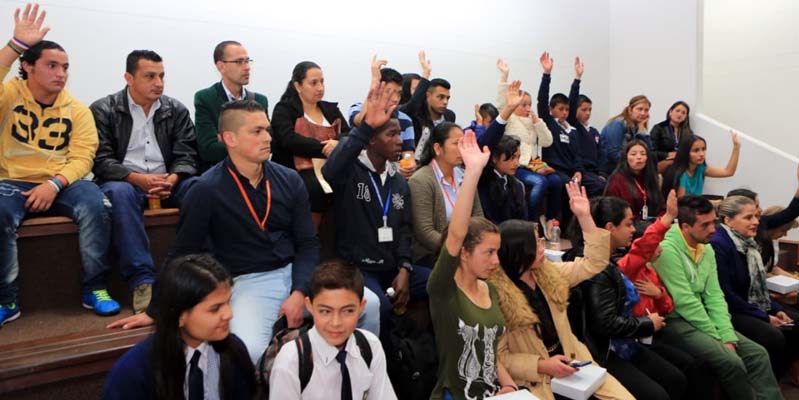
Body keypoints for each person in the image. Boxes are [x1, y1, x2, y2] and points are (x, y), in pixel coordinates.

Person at [107, 101, 382, 364]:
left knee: (369, 306)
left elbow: (308, 243)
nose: (268, 138)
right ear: (230, 138)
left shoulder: (289, 179)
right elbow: (182, 254)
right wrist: (156, 310)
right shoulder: (205, 189)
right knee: (249, 350)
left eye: (267, 129)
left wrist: (300, 292)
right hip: (248, 281)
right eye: (257, 131)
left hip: (298, 271)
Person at [0, 4, 120, 323]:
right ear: (27, 67)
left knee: (97, 203)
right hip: (11, 183)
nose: (61, 74)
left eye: (65, 67)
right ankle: (6, 300)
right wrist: (15, 47)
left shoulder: (77, 110)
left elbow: (83, 156)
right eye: (52, 65)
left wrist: (54, 184)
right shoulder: (8, 96)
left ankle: (94, 288)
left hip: (60, 182)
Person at [489, 183, 635, 400]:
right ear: (519, 251)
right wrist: (542, 365)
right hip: (537, 379)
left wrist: (585, 218)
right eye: (536, 244)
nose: (542, 248)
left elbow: (594, 263)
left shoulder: (548, 273)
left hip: (575, 364)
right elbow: (497, 358)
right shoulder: (495, 295)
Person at [90, 49, 199, 313]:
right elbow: (100, 159)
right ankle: (142, 280)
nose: (158, 82)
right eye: (150, 76)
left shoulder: (176, 109)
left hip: (169, 180)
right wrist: (137, 179)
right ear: (129, 77)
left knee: (201, 188)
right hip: (126, 180)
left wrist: (173, 178)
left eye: (161, 75)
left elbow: (188, 153)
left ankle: (198, 268)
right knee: (119, 194)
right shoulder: (104, 109)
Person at [323, 81, 430, 347]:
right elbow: (330, 170)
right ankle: (375, 368)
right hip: (357, 267)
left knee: (442, 283)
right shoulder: (351, 171)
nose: (399, 141)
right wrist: (365, 126)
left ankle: (422, 358)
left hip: (392, 266)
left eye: (399, 134)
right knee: (380, 307)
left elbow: (404, 228)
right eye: (391, 135)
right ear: (372, 139)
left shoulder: (399, 180)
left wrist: (405, 267)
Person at [653, 195, 781, 400]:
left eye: (714, 222)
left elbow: (715, 296)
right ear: (685, 227)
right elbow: (684, 302)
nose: (713, 229)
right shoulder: (667, 250)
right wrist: (719, 337)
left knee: (757, 355)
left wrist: (727, 335)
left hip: (702, 314)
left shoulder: (707, 247)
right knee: (731, 361)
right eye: (705, 225)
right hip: (675, 319)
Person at [427, 129, 520, 400]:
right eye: (489, 252)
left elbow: (490, 353)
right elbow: (456, 233)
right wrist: (472, 174)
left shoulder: (489, 289)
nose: (496, 261)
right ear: (464, 254)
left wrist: (511, 387)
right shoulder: (442, 289)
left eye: (497, 252)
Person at [572, 196, 686, 400]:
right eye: (628, 224)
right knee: (658, 394)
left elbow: (644, 249)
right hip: (605, 351)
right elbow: (604, 324)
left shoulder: (609, 262)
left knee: (677, 376)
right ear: (610, 227)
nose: (633, 230)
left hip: (628, 342)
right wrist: (646, 324)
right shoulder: (596, 270)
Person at [101, 254, 255, 400]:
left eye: (228, 302)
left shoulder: (234, 352)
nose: (229, 314)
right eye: (215, 308)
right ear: (179, 316)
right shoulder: (132, 373)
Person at [409, 81, 523, 266]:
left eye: (464, 143)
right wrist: (461, 251)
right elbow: (425, 232)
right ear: (437, 148)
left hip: (467, 253)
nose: (462, 149)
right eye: (456, 144)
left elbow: (478, 217)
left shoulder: (464, 175)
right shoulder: (421, 180)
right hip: (434, 255)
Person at [269, 259, 397, 400]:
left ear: (361, 307)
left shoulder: (370, 346)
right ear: (309, 306)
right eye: (325, 311)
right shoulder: (291, 361)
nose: (336, 323)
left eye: (348, 311)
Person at [712, 195, 799, 379]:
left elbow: (755, 286)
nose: (756, 222)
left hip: (750, 304)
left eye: (756, 217)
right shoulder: (719, 244)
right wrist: (765, 316)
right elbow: (727, 295)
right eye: (748, 217)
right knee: (773, 337)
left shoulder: (747, 243)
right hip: (731, 309)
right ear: (728, 220)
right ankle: (761, 384)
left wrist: (776, 309)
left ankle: (774, 380)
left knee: (795, 323)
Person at [271, 61, 349, 228]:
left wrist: (338, 143)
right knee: (313, 189)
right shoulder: (284, 109)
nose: (320, 87)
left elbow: (348, 134)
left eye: (322, 81)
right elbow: (288, 139)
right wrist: (324, 149)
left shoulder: (330, 109)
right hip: (297, 169)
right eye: (313, 83)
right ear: (298, 86)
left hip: (331, 165)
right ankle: (310, 241)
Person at [495, 58, 560, 226]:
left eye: (529, 104)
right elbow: (502, 104)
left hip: (533, 164)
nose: (527, 108)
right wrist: (504, 76)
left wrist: (537, 121)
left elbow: (547, 142)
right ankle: (530, 221)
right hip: (518, 165)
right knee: (540, 182)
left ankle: (549, 219)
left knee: (556, 181)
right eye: (523, 104)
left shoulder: (533, 121)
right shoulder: (510, 119)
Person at [194, 40, 269, 172]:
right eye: (239, 62)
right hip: (221, 173)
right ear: (221, 66)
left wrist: (225, 140)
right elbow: (208, 149)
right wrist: (251, 143)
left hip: (255, 171)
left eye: (247, 61)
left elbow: (268, 143)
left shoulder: (259, 101)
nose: (247, 67)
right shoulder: (206, 98)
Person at [348, 57, 416, 179]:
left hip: (391, 174)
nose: (395, 98)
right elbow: (360, 121)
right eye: (389, 92)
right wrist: (375, 80)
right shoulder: (357, 108)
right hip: (359, 172)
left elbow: (408, 154)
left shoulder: (405, 120)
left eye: (399, 93)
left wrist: (409, 166)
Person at [400, 52, 456, 163]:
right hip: (412, 165)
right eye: (440, 97)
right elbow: (413, 105)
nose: (445, 102)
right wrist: (425, 74)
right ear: (427, 95)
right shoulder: (415, 113)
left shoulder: (449, 116)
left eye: (447, 98)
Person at [537, 52, 579, 200]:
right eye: (560, 109)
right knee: (571, 190)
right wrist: (547, 74)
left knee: (585, 185)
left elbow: (573, 102)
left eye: (567, 110)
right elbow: (542, 99)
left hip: (570, 172)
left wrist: (577, 79)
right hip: (553, 169)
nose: (565, 113)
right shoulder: (548, 123)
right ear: (551, 109)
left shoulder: (571, 130)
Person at [567, 57, 608, 197]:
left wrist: (602, 173)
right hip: (582, 173)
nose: (588, 113)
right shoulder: (573, 127)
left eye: (590, 110)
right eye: (584, 109)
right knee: (600, 186)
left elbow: (602, 155)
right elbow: (571, 102)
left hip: (596, 173)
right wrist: (577, 79)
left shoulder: (594, 132)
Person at [604, 140, 665, 227]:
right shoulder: (617, 180)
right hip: (627, 226)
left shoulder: (651, 178)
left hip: (653, 224)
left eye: (643, 154)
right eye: (633, 154)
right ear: (626, 158)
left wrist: (660, 221)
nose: (639, 157)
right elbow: (614, 213)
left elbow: (661, 206)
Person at [662, 132, 741, 198]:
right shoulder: (682, 175)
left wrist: (736, 148)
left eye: (703, 149)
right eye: (696, 150)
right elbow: (681, 206)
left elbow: (728, 172)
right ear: (685, 152)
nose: (702, 154)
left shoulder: (700, 168)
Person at [477, 135, 527, 224]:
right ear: (495, 158)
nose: (517, 164)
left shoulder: (517, 185)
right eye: (512, 158)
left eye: (518, 158)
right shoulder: (482, 183)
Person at [600, 95, 653, 174]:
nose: (643, 113)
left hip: (629, 164)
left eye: (646, 110)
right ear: (630, 110)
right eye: (639, 109)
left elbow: (649, 151)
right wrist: (632, 165)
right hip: (612, 166)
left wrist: (643, 131)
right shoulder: (618, 124)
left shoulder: (637, 127)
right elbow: (612, 153)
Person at [649, 101, 693, 172]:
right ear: (670, 112)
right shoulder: (659, 128)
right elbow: (651, 152)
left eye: (683, 113)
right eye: (677, 111)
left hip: (681, 163)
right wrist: (668, 154)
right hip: (663, 162)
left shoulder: (688, 132)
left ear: (685, 117)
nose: (679, 114)